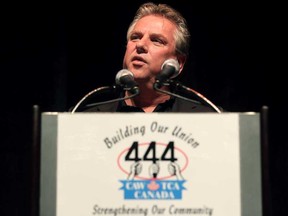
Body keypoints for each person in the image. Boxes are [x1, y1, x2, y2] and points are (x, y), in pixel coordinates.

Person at [74, 2, 221, 113]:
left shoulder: (206, 120)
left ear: (178, 62)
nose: (140, 45)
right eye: (135, 37)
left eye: (156, 40)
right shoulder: (88, 120)